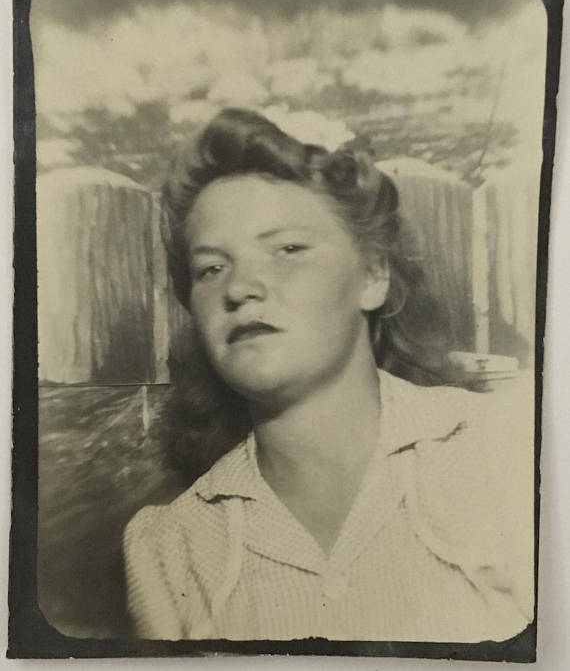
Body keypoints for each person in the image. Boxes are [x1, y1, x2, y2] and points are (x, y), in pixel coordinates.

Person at [123, 108, 534, 642]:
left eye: (288, 249)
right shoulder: (171, 551)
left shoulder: (510, 453)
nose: (240, 287)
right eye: (211, 268)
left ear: (371, 276)